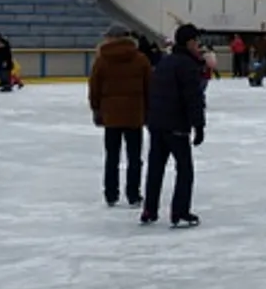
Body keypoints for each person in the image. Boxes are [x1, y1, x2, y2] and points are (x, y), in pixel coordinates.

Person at [141, 23, 206, 227]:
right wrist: (199, 126)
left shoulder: (165, 61)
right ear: (188, 42)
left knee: (155, 168)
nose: (199, 46)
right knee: (185, 169)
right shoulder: (187, 65)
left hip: (157, 124)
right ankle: (180, 211)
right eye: (196, 41)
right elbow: (192, 98)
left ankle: (149, 210)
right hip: (176, 124)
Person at [88, 24, 151, 208]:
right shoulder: (141, 59)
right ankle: (133, 194)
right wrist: (148, 110)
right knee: (134, 157)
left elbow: (94, 87)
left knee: (112, 157)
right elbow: (150, 87)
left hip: (111, 115)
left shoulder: (102, 60)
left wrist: (96, 109)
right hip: (134, 114)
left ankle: (111, 194)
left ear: (113, 38)